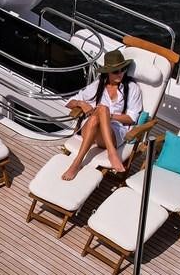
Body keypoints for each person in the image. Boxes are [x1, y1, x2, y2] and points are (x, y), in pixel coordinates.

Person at [61, 49, 142, 180]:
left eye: (123, 69)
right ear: (108, 72)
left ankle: (76, 163)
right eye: (116, 71)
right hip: (90, 131)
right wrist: (82, 104)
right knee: (97, 115)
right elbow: (69, 102)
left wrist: (108, 116)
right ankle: (111, 154)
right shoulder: (98, 84)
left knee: (102, 111)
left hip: (114, 132)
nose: (120, 74)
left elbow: (132, 119)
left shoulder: (132, 88)